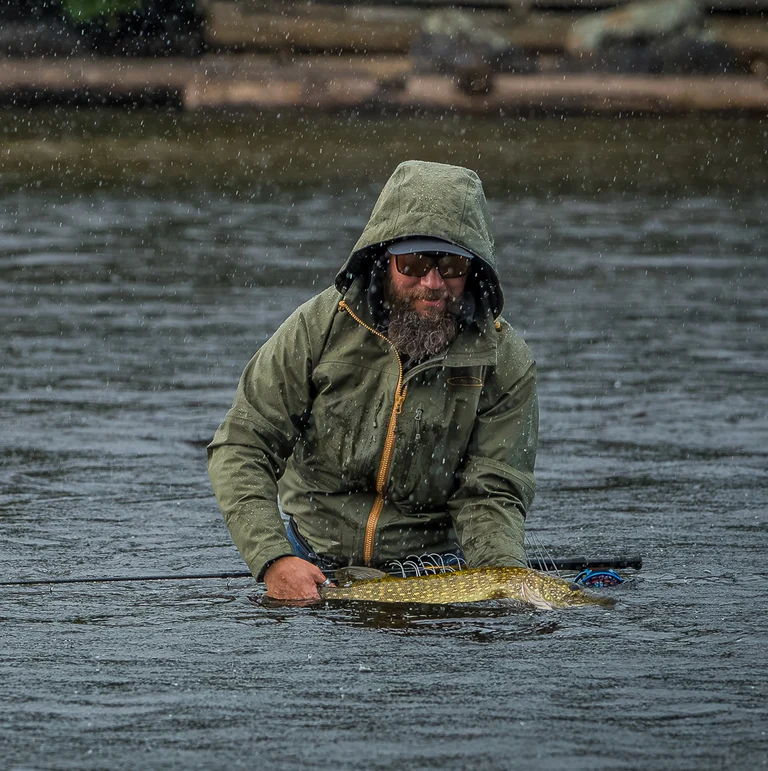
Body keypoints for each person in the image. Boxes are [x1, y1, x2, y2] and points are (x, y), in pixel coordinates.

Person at [207, 160, 538, 600]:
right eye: (416, 262)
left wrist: (501, 579)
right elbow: (243, 444)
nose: (433, 282)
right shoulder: (318, 327)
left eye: (453, 265)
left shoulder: (504, 360)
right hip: (311, 560)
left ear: (472, 268)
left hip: (435, 572)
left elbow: (491, 494)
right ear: (384, 259)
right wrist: (272, 558)